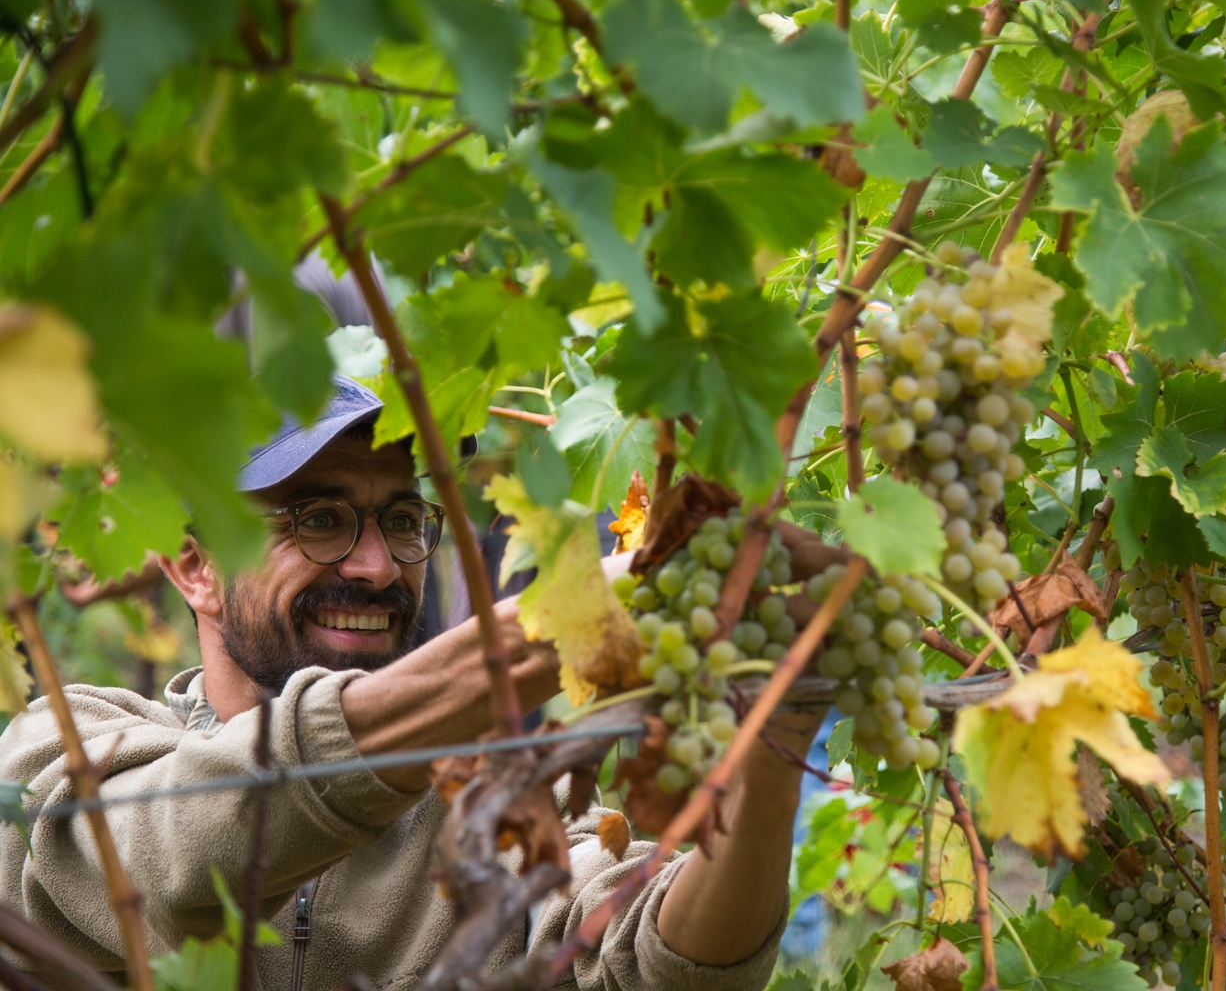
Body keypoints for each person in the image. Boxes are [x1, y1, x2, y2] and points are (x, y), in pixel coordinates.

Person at [0, 376, 826, 991]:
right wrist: (579, 612)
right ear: (195, 566)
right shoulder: (67, 744)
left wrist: (780, 738)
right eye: (317, 520)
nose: (377, 566)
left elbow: (654, 963)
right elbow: (171, 867)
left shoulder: (488, 800)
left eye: (402, 521)